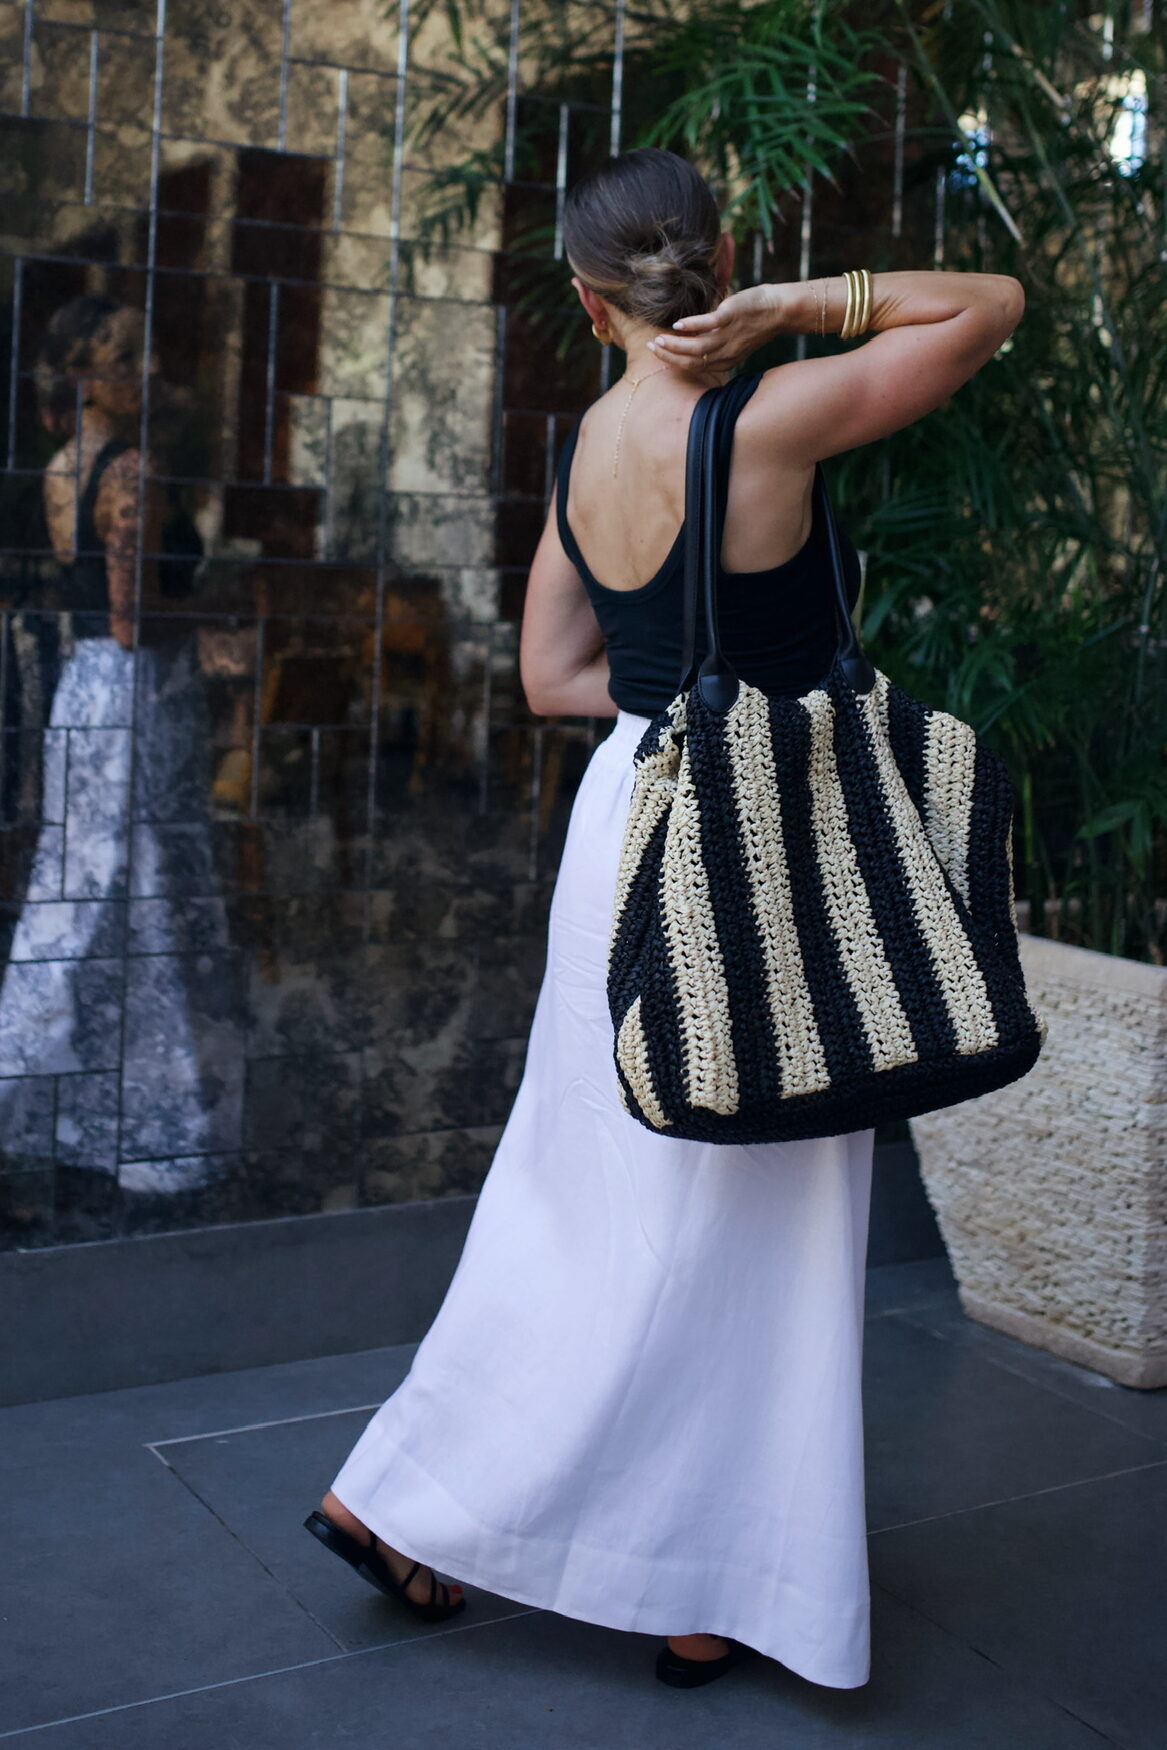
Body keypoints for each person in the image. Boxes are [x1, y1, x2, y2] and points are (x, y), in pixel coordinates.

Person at [306, 148, 1024, 1689]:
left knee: (583, 1197)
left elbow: (552, 676)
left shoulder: (585, 444)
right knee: (757, 1225)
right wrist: (794, 307)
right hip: (765, 843)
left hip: (626, 823)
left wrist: (658, 707)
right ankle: (701, 1575)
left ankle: (449, 1505)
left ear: (586, 301)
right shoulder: (766, 419)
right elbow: (985, 308)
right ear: (721, 263)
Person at [0, 297, 232, 1194]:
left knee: (90, 884)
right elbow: (137, 621)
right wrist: (218, 615)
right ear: (85, 376)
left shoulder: (64, 466)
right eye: (125, 357)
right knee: (130, 887)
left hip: (86, 690)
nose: (145, 372)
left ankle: (84, 1108)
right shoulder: (132, 468)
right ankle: (139, 1122)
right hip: (135, 689)